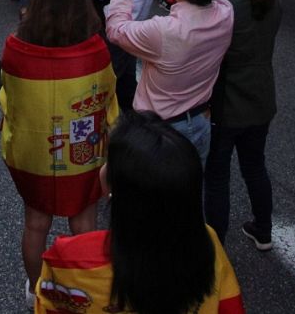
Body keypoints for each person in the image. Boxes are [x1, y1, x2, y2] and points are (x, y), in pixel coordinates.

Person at [32, 111, 243, 313]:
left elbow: (47, 307)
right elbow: (230, 307)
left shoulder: (69, 259)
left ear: (115, 191)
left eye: (109, 162)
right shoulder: (208, 243)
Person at [0, 0, 118, 289]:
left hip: (34, 153)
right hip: (83, 153)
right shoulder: (95, 49)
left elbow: (9, 98)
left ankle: (36, 290)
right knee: (84, 222)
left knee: (36, 223)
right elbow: (107, 101)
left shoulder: (15, 47)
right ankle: (90, 288)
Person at [104, 0, 233, 161]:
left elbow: (116, 29)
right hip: (199, 121)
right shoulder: (225, 11)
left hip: (160, 132)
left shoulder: (164, 31)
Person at [202, 0, 278, 249]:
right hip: (261, 95)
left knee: (217, 175)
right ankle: (264, 229)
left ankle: (216, 245)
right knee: (254, 166)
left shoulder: (223, 4)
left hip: (226, 100)